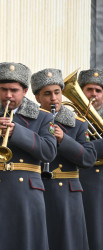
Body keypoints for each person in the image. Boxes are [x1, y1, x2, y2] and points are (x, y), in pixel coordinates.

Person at [0, 62, 57, 250]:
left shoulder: (43, 117)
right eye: (3, 89)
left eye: (14, 90)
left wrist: (19, 132)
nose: (8, 95)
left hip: (27, 195)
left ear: (25, 91)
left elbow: (49, 152)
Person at [32, 68, 95, 250]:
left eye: (57, 92)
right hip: (38, 191)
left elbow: (88, 159)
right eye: (47, 94)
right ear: (37, 98)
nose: (54, 99)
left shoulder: (79, 123)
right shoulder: (30, 122)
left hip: (67, 195)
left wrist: (63, 139)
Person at [78, 69, 103, 250]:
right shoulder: (71, 117)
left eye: (98, 90)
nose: (93, 94)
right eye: (89, 89)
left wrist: (83, 150)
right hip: (78, 180)